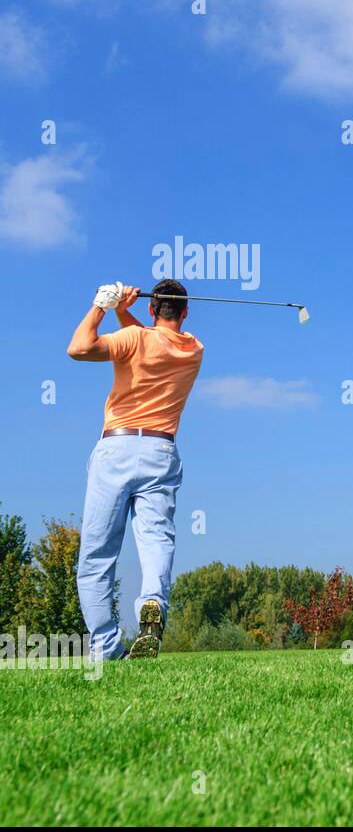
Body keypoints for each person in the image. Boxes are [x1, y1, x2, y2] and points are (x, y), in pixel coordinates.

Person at [66, 280, 204, 659]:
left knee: (97, 555)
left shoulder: (133, 339)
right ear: (186, 312)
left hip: (117, 447)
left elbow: (78, 348)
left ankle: (106, 647)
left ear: (151, 308)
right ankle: (154, 602)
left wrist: (101, 305)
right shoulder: (193, 349)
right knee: (157, 538)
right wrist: (121, 311)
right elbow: (152, 342)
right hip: (161, 450)